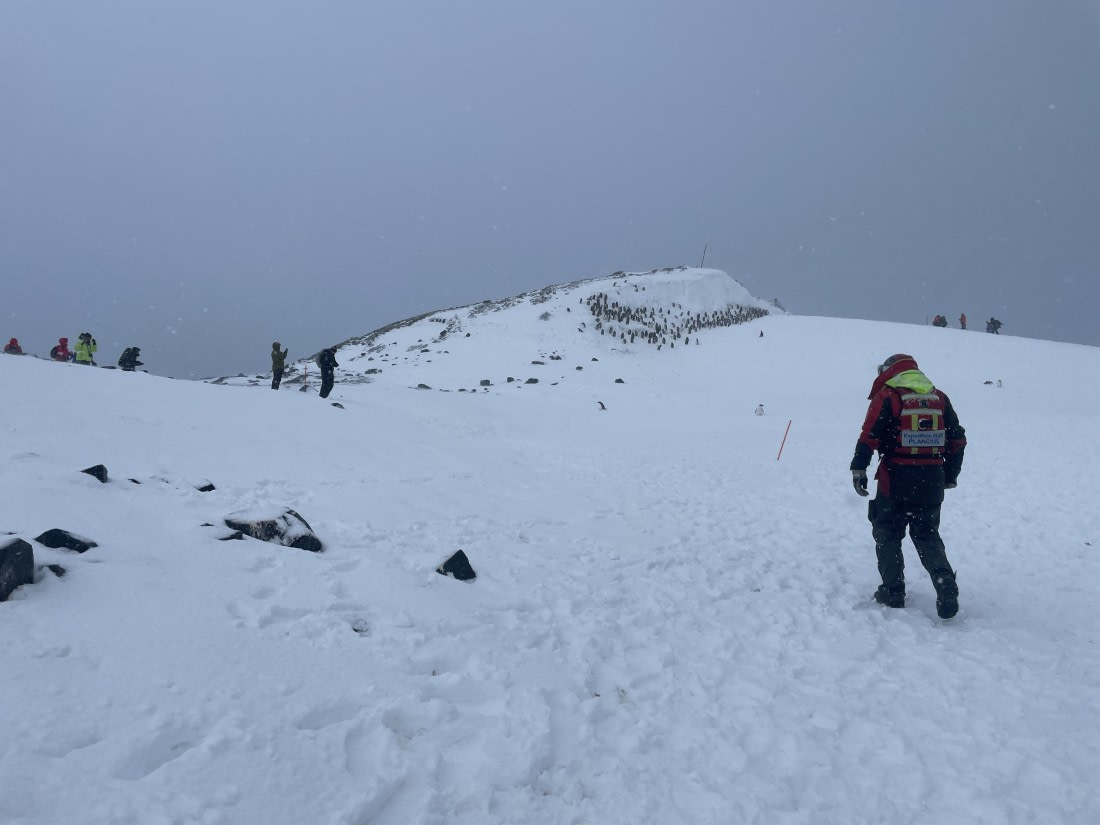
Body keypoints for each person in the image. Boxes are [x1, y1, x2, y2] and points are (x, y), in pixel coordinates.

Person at [850, 353, 966, 619]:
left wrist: (859, 469)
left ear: (889, 371)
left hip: (895, 477)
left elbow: (869, 436)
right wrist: (949, 474)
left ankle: (893, 592)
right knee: (927, 534)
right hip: (932, 478)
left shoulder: (889, 396)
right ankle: (944, 582)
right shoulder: (939, 398)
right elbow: (958, 440)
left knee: (887, 533)